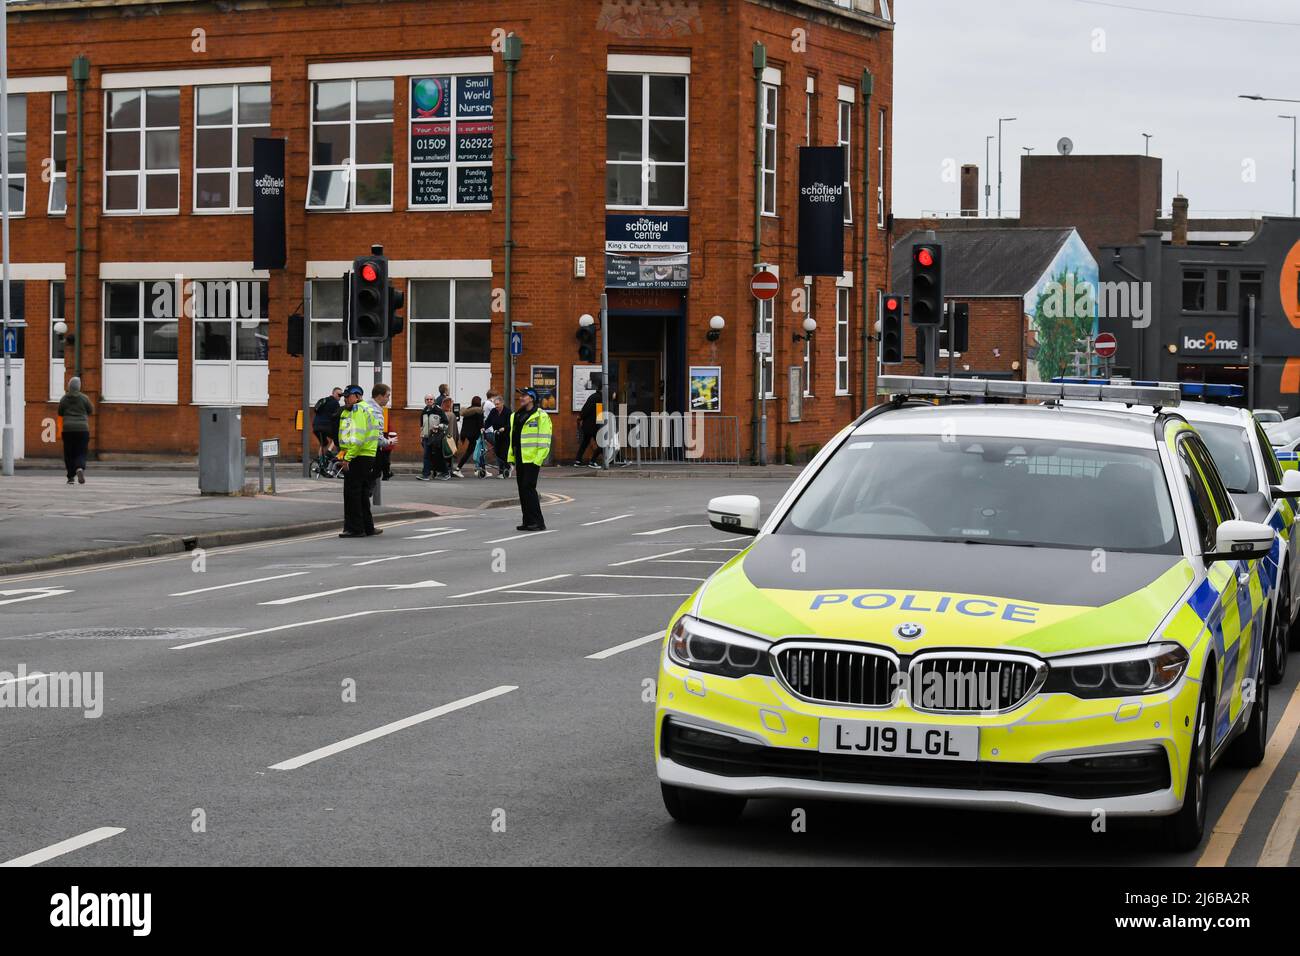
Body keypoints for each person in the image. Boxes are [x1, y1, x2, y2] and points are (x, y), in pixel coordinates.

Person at [336, 384, 383, 538]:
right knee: (362, 493)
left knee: (352, 493)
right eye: (344, 396)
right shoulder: (365, 409)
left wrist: (347, 458)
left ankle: (355, 529)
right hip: (366, 455)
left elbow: (357, 438)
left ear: (357, 396)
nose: (345, 399)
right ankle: (368, 527)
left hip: (358, 456)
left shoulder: (358, 410)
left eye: (348, 396)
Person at [508, 387, 553, 531]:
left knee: (529, 488)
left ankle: (538, 522)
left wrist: (538, 459)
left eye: (525, 396)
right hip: (520, 457)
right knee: (522, 489)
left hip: (533, 459)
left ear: (532, 398)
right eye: (521, 395)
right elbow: (513, 438)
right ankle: (527, 521)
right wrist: (511, 456)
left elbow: (545, 439)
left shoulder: (541, 416)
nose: (521, 398)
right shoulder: (515, 416)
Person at [57, 376, 94, 485]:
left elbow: (60, 412)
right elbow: (91, 410)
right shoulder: (84, 398)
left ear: (69, 386)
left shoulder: (64, 398)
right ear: (79, 387)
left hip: (67, 429)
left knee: (69, 453)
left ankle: (70, 477)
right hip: (82, 429)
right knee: (81, 451)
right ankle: (79, 468)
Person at [368, 383, 397, 480]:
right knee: (369, 482)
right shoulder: (376, 412)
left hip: (363, 450)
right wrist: (389, 442)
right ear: (380, 396)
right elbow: (377, 437)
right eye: (387, 396)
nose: (388, 399)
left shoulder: (364, 406)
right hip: (370, 451)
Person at [417, 393, 449, 481]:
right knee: (427, 456)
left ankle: (445, 472)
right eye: (427, 399)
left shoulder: (438, 410)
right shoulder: (424, 411)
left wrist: (438, 427)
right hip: (426, 438)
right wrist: (421, 437)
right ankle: (426, 474)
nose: (429, 401)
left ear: (434, 401)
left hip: (437, 438)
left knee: (438, 456)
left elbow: (446, 424)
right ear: (425, 401)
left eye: (431, 399)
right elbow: (421, 426)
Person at [574, 376, 602, 468]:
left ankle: (577, 461)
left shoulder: (595, 397)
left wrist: (581, 417)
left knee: (585, 443)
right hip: (592, 426)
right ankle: (592, 461)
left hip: (589, 425)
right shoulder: (597, 398)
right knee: (602, 443)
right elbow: (590, 410)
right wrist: (581, 416)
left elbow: (588, 409)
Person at [484, 393, 511, 479]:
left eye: (498, 404)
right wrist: (483, 428)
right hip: (497, 434)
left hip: (506, 435)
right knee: (498, 452)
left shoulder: (508, 412)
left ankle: (506, 469)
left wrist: (504, 428)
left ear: (502, 403)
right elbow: (488, 421)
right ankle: (501, 471)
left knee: (504, 453)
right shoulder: (493, 411)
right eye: (495, 404)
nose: (496, 406)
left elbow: (510, 424)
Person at [312, 387, 343, 455]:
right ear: (333, 393)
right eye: (339, 395)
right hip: (325, 426)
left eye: (341, 395)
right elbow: (337, 417)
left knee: (324, 444)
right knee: (338, 437)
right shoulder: (335, 403)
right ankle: (330, 451)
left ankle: (320, 462)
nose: (340, 397)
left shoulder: (323, 400)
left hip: (315, 426)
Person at [457, 396, 485, 473]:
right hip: (475, 435)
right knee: (479, 451)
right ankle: (480, 469)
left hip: (467, 434)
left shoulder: (467, 410)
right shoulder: (479, 411)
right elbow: (480, 424)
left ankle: (459, 468)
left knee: (472, 451)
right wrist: (483, 429)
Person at [440, 396, 462, 477]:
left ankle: (443, 470)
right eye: (451, 403)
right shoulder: (451, 415)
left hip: (442, 438)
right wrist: (456, 438)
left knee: (443, 455)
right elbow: (454, 429)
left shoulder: (441, 414)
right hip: (450, 438)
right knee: (449, 455)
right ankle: (448, 471)